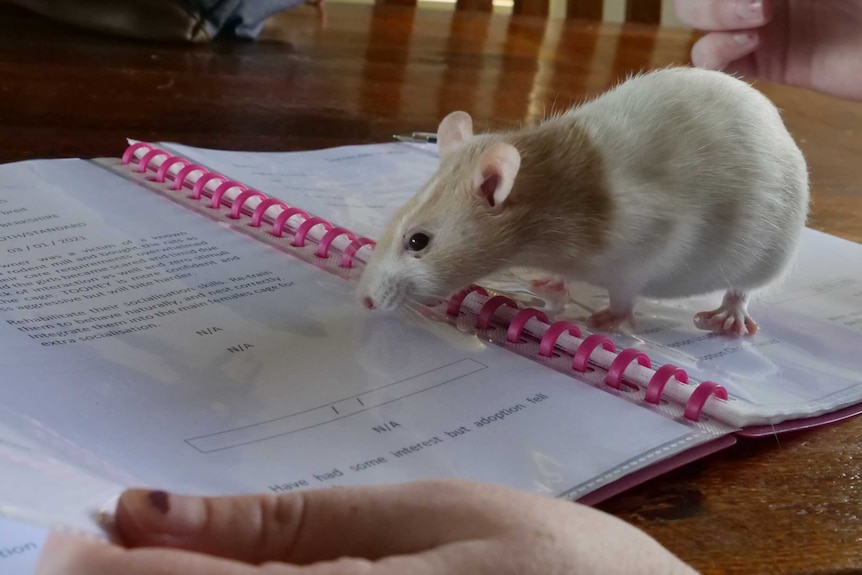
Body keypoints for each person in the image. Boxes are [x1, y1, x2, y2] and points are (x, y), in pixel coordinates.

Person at [33, 1, 862, 573]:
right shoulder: (521, 188)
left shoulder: (595, 206)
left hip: (749, 207)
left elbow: (653, 230)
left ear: (498, 189)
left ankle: (741, 297)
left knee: (735, 269)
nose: (394, 272)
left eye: (419, 245)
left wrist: (619, 303)